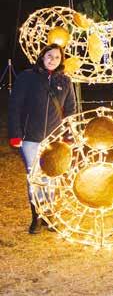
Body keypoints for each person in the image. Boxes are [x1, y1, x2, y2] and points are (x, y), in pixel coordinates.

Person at [8, 43, 76, 234]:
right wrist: (15, 134)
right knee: (36, 177)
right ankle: (36, 216)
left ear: (61, 60)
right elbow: (15, 107)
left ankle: (49, 215)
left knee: (52, 177)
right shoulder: (27, 77)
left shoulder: (65, 81)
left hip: (55, 141)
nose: (52, 60)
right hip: (31, 139)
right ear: (42, 56)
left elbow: (71, 110)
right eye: (49, 56)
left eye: (57, 57)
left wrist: (68, 135)